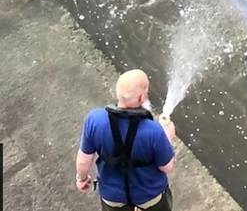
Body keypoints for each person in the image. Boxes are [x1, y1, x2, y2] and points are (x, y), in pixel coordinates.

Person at [75, 69, 177, 210]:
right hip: (149, 199)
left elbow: (83, 160)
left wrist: (82, 179)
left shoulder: (95, 120)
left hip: (112, 199)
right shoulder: (154, 131)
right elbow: (166, 166)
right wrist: (167, 138)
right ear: (141, 98)